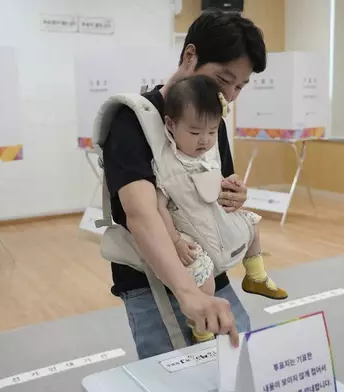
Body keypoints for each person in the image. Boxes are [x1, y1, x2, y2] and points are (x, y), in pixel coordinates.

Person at [101, 9, 269, 360]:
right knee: (179, 378)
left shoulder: (214, 120)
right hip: (153, 284)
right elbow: (142, 214)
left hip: (210, 268)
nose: (232, 95)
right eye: (225, 79)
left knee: (242, 368)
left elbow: (214, 190)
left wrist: (234, 194)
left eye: (240, 85)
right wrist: (187, 292)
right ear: (191, 55)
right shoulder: (133, 120)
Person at [156, 75, 288, 344]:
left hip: (211, 219)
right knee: (205, 281)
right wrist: (175, 240)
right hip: (185, 232)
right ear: (171, 124)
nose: (204, 140)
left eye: (212, 131)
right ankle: (202, 331)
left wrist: (229, 185)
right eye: (194, 133)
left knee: (251, 223)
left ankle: (256, 276)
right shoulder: (166, 162)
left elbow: (213, 185)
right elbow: (157, 207)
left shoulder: (209, 153)